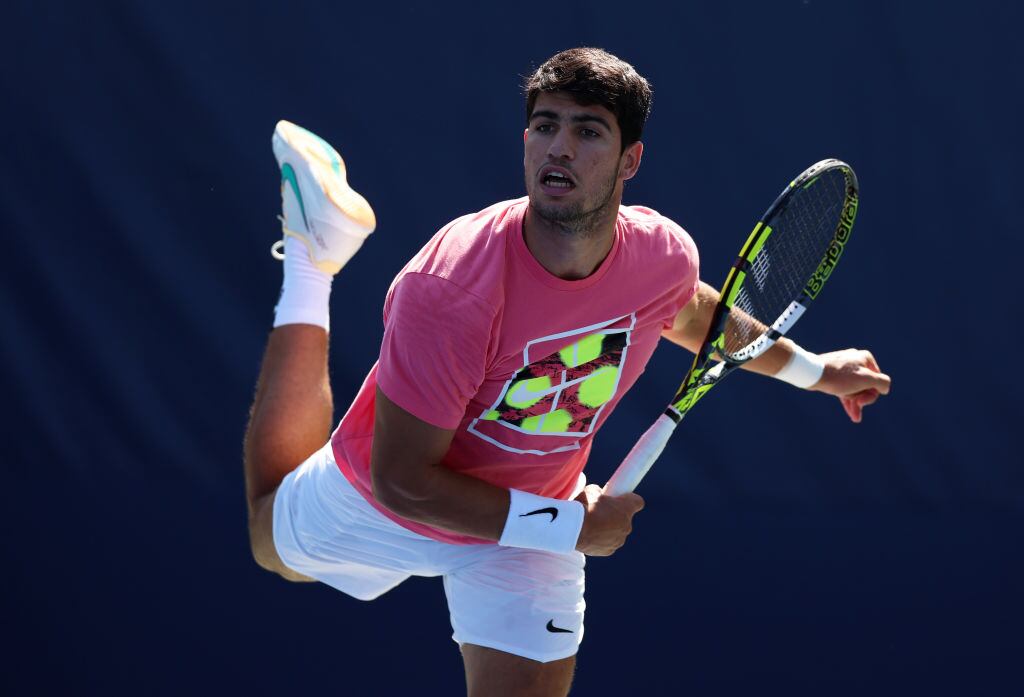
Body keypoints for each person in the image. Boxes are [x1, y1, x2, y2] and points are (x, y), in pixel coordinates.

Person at [244, 47, 891, 697]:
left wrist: (814, 369)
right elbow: (402, 480)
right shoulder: (449, 289)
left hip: (527, 526)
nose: (560, 147)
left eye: (588, 131)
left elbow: (700, 314)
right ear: (526, 142)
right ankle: (313, 255)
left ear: (629, 160)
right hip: (386, 503)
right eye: (546, 126)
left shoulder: (661, 258)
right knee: (268, 538)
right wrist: (569, 526)